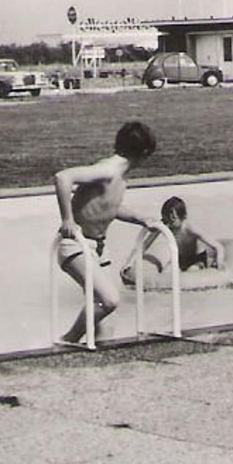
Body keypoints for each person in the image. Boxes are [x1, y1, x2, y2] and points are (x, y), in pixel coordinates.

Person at [55, 121, 162, 344]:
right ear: (144, 153)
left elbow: (109, 208)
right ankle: (68, 339)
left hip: (98, 249)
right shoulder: (109, 170)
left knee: (106, 326)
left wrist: (140, 219)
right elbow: (63, 177)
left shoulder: (119, 177)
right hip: (77, 245)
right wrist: (67, 219)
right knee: (109, 300)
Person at [122, 195, 227, 285]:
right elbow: (145, 244)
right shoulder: (166, 225)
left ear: (183, 217)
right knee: (164, 276)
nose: (169, 224)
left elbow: (218, 246)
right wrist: (130, 262)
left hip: (197, 260)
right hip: (180, 259)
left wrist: (219, 261)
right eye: (166, 219)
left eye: (173, 219)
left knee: (191, 273)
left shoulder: (190, 228)